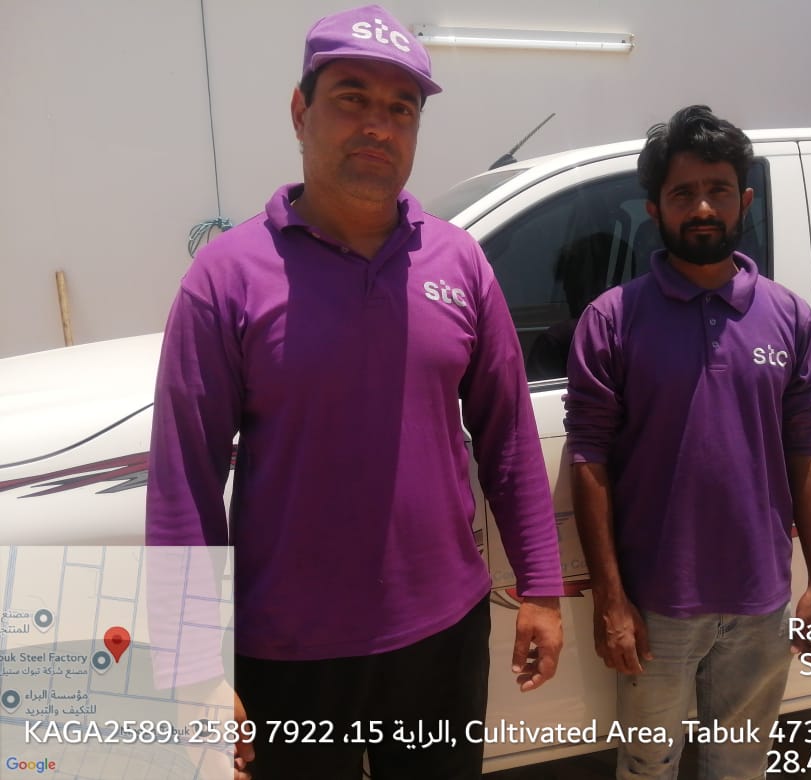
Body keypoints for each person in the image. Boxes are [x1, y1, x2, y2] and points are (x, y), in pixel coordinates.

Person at [145, 6, 563, 779]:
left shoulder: (459, 263)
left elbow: (507, 436)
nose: (378, 124)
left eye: (401, 107)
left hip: (443, 634)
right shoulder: (226, 278)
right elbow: (184, 485)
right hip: (286, 652)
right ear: (299, 111)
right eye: (351, 97)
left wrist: (540, 587)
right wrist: (196, 668)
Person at [565, 105, 811, 780]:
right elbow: (589, 458)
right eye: (683, 193)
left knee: (739, 766)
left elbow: (810, 449)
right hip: (657, 603)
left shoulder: (789, 316)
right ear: (654, 209)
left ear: (745, 200)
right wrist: (611, 599)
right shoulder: (613, 320)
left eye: (718, 189)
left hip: (761, 599)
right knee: (647, 765)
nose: (703, 208)